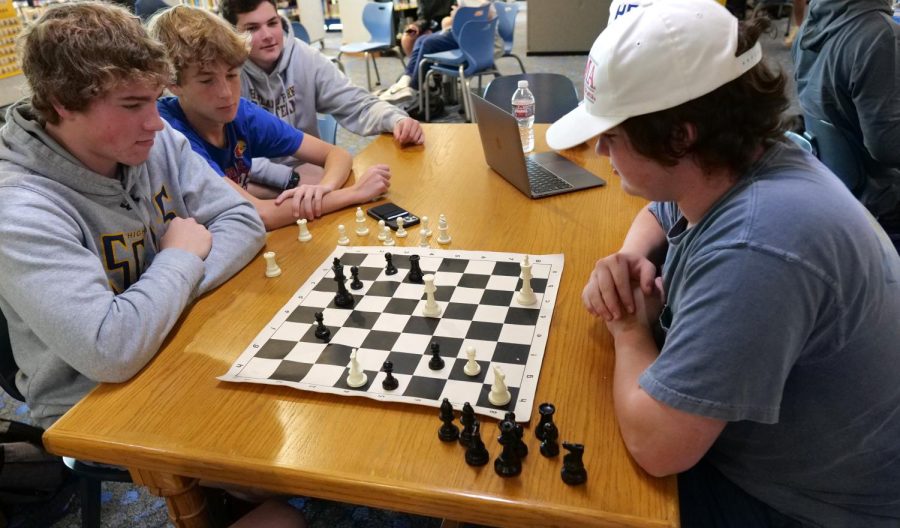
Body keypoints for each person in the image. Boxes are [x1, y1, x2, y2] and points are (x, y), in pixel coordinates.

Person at [547, 0, 900, 526]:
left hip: (805, 506)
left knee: (561, 481)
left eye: (614, 135)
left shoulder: (757, 247)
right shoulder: (743, 159)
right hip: (790, 461)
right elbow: (658, 210)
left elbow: (657, 446)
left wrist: (628, 327)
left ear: (679, 136)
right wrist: (628, 257)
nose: (599, 149)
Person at [0, 0, 265, 431]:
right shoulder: (17, 208)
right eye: (131, 105)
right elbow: (111, 351)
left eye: (155, 101)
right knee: (248, 436)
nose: (156, 124)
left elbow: (243, 220)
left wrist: (160, 299)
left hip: (174, 337)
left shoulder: (152, 143)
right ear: (62, 102)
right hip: (91, 400)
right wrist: (179, 259)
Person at [147, 5, 391, 231]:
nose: (225, 93)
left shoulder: (240, 112)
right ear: (173, 84)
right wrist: (354, 193)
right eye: (207, 81)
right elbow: (259, 214)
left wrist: (322, 190)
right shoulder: (172, 133)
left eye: (232, 75)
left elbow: (336, 154)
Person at [218, 0, 423, 190]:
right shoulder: (225, 77)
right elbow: (225, 158)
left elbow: (356, 103)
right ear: (232, 34)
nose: (268, 35)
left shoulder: (306, 58)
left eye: (273, 23)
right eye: (253, 28)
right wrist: (288, 177)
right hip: (251, 180)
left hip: (309, 172)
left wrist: (395, 120)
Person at [792, 0, 900, 253]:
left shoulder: (813, 22)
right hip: (882, 201)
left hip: (837, 186)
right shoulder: (879, 35)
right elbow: (888, 146)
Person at [379, 0, 499, 103]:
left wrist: (457, 15)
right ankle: (406, 80)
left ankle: (412, 87)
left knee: (427, 43)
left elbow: (482, 14)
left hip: (473, 39)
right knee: (421, 40)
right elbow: (429, 18)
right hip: (464, 34)